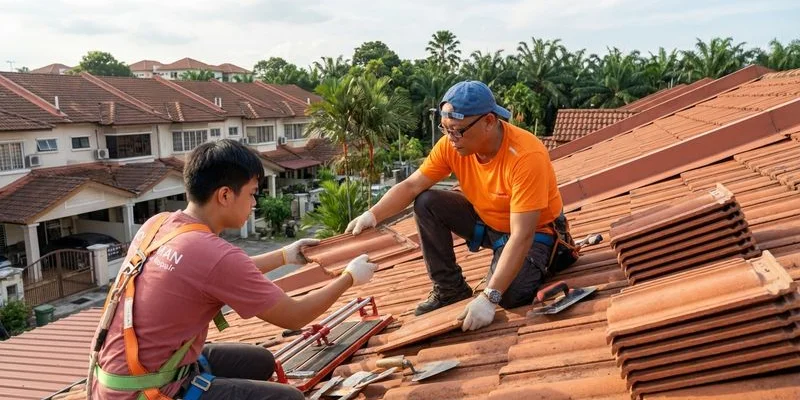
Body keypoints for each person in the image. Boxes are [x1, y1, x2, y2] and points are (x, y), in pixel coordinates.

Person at [88, 139, 377, 400]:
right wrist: (349, 277)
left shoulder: (160, 225)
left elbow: (217, 273)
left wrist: (284, 256)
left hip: (114, 379)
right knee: (289, 399)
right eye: (252, 194)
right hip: (144, 392)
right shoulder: (212, 253)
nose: (254, 203)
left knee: (261, 361)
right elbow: (295, 316)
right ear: (225, 195)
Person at [345, 80, 566, 332]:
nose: (451, 138)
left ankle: (546, 262)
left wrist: (489, 297)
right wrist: (372, 214)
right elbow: (411, 186)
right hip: (489, 222)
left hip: (536, 233)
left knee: (510, 296)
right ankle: (450, 289)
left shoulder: (525, 156)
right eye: (446, 129)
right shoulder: (452, 145)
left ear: (489, 122)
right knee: (427, 202)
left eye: (458, 130)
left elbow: (522, 234)